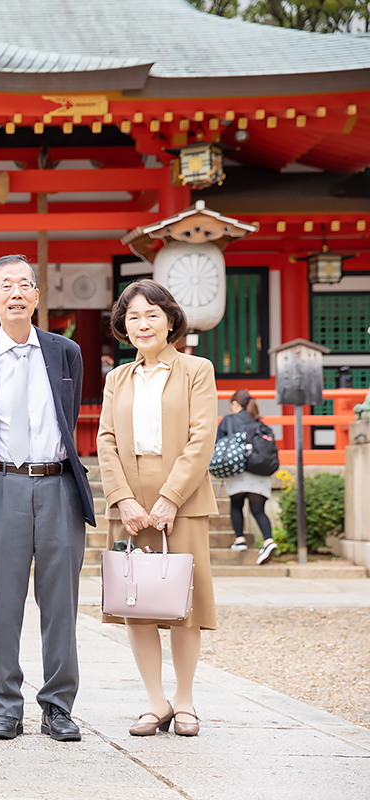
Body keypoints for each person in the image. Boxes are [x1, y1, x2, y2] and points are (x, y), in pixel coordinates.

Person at [0, 254, 95, 742]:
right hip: (1, 486)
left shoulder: (65, 352)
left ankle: (57, 706)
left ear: (36, 296)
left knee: (61, 603)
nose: (16, 293)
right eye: (5, 286)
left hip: (58, 486)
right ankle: (6, 706)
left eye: (25, 285)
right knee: (1, 605)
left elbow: (68, 415)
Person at [96, 279, 218, 738]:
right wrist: (122, 498)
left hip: (180, 500)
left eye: (151, 314)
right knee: (136, 602)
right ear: (123, 327)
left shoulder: (196, 370)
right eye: (133, 317)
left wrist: (170, 497)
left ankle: (185, 702)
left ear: (170, 320)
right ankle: (154, 702)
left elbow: (201, 437)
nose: (143, 324)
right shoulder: (117, 378)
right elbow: (105, 440)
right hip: (129, 500)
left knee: (184, 603)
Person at [218, 389, 277, 565]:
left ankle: (240, 540)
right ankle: (268, 541)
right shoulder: (259, 422)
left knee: (236, 505)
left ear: (235, 404)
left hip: (238, 471)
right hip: (259, 472)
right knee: (258, 510)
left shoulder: (229, 420)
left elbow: (219, 444)